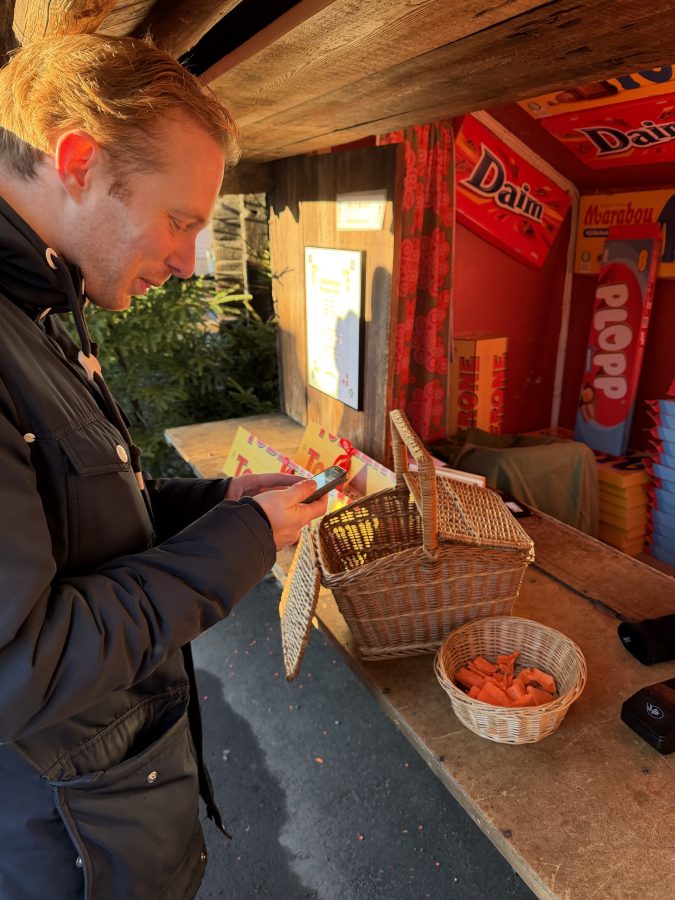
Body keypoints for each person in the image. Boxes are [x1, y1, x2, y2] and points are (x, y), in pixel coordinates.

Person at [0, 33, 327, 900]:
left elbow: (81, 517)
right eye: (180, 219)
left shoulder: (32, 310)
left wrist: (220, 499)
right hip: (63, 852)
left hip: (104, 815)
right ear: (77, 162)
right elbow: (20, 666)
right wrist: (244, 538)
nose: (187, 262)